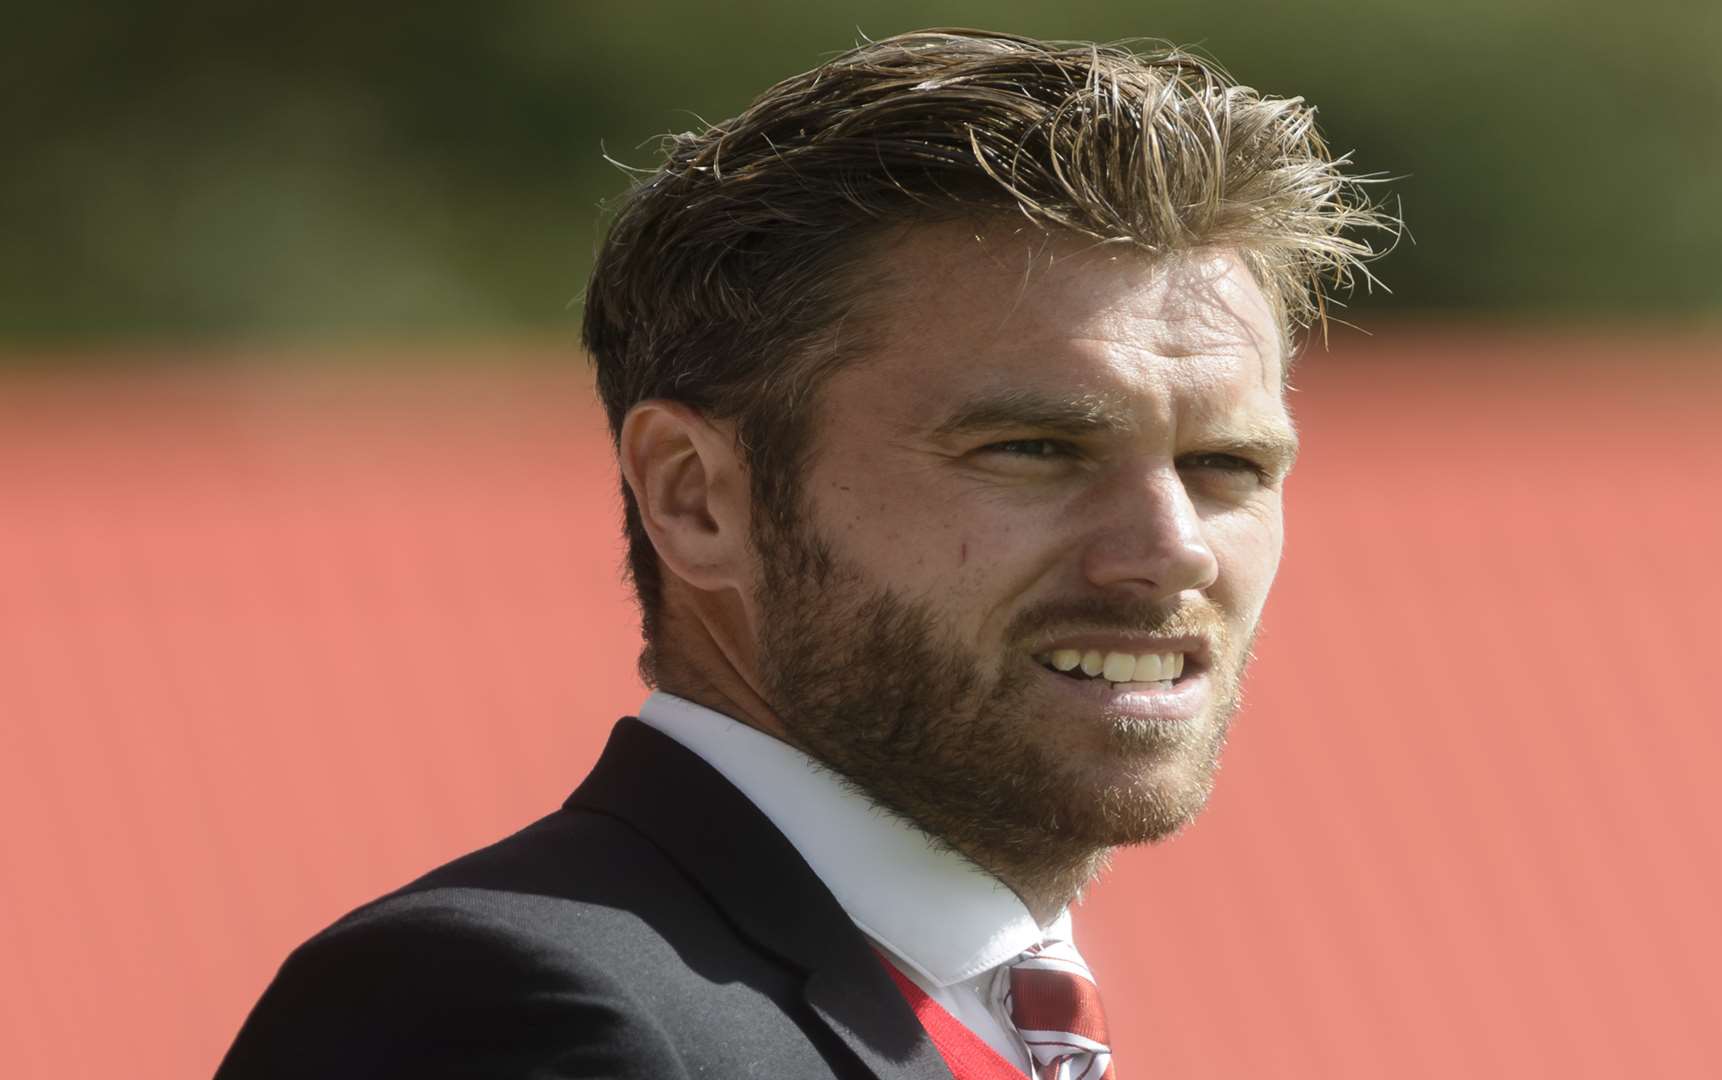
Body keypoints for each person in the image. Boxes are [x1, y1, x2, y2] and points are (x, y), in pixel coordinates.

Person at [216, 28, 1386, 1080]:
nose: (1166, 552)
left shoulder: (993, 1021)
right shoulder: (501, 1019)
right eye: (1034, 448)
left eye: (1226, 467)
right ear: (696, 497)